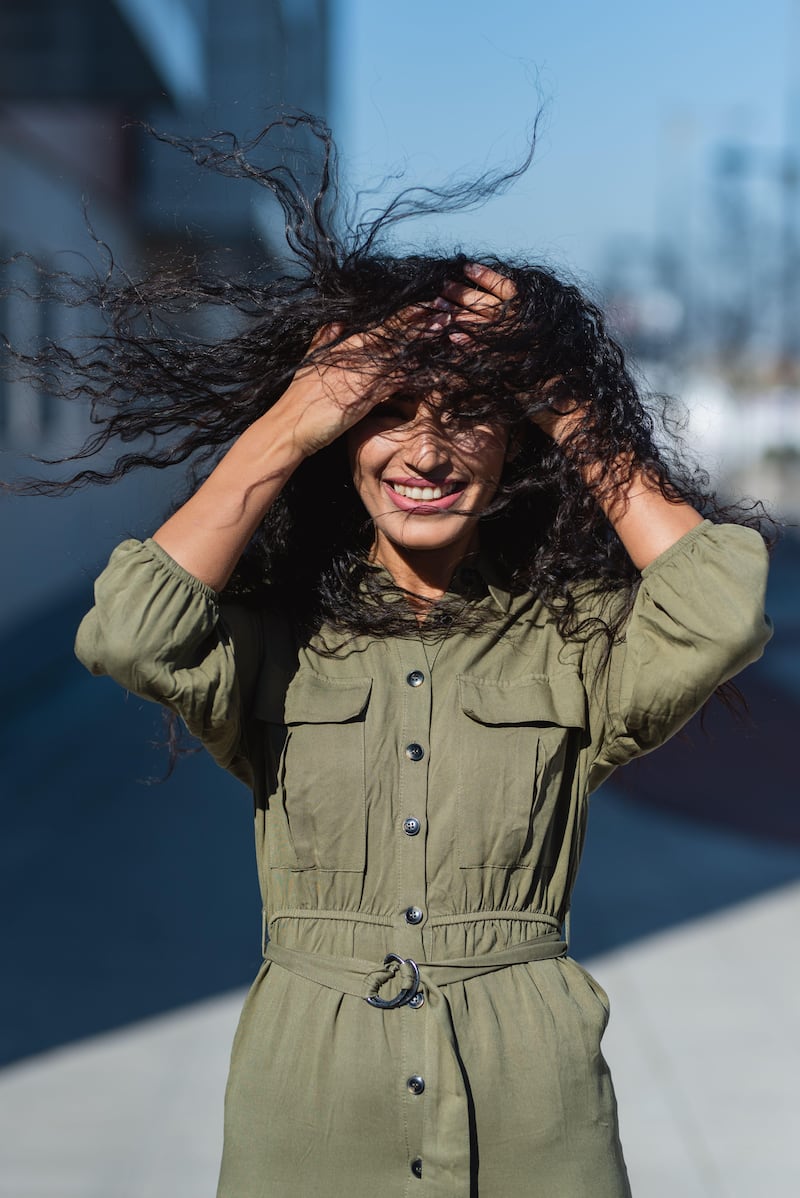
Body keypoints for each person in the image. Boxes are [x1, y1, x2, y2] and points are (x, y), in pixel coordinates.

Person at [25, 119, 773, 1195]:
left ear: (513, 441)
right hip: (309, 1113)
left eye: (468, 414)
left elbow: (717, 607)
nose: (425, 449)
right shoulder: (280, 641)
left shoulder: (568, 640)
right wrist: (295, 416)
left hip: (534, 1117)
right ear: (345, 440)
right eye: (387, 413)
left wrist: (563, 395)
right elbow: (132, 627)